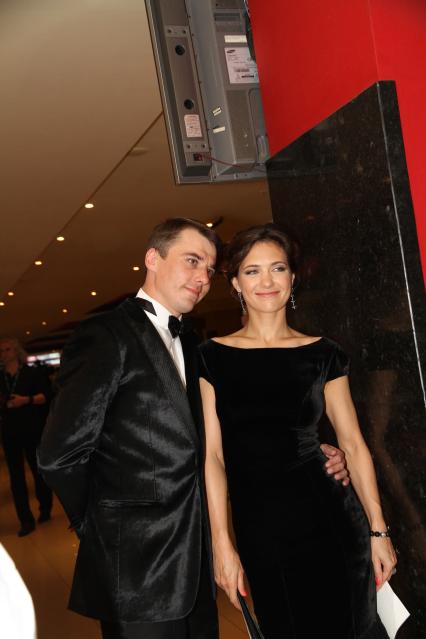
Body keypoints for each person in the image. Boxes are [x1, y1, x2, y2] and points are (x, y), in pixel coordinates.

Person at [38, 218, 349, 639]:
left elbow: (219, 437)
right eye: (192, 261)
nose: (203, 277)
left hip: (196, 561)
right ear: (153, 258)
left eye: (209, 268)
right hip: (135, 567)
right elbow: (59, 454)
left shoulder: (192, 345)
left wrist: (313, 449)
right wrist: (102, 528)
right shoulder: (105, 334)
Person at [198, 223, 397, 639]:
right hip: (260, 529)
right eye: (252, 271)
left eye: (278, 268)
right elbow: (213, 456)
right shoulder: (212, 357)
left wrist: (378, 530)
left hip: (331, 519)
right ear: (235, 283)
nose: (267, 281)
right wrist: (221, 543)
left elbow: (353, 443)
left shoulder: (323, 353)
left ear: (292, 278)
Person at [0, 338, 52, 536]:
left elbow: (46, 396)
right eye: (1, 351)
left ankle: (45, 507)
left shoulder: (32, 373)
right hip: (9, 431)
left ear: (16, 352)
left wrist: (26, 400)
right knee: (16, 477)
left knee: (38, 471)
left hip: (32, 428)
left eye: (7, 350)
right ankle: (25, 520)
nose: (4, 354)